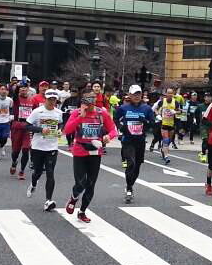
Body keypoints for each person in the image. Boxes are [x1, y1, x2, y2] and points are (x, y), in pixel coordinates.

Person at [63, 91, 118, 222]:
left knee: (91, 184)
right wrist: (80, 117)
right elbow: (67, 130)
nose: (87, 107)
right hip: (80, 150)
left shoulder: (101, 113)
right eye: (85, 104)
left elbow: (113, 129)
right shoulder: (76, 113)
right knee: (80, 183)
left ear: (94, 103)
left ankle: (82, 211)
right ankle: (74, 198)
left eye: (90, 105)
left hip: (95, 151)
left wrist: (107, 137)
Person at [114, 84, 155, 203]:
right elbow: (115, 119)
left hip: (140, 140)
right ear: (130, 95)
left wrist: (145, 122)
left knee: (137, 166)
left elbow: (152, 124)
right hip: (128, 140)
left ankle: (129, 186)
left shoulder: (146, 108)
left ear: (141, 95)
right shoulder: (123, 108)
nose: (137, 96)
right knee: (130, 163)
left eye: (139, 94)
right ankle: (129, 188)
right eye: (134, 94)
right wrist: (122, 128)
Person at [25, 89, 64, 211]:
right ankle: (33, 184)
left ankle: (48, 200)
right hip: (38, 146)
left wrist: (59, 130)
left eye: (54, 100)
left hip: (52, 147)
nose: (52, 102)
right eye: (50, 99)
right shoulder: (37, 111)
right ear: (45, 99)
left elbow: (60, 124)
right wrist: (41, 130)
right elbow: (27, 126)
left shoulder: (58, 112)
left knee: (50, 173)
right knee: (37, 172)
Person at [153, 87, 181, 164]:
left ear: (173, 94)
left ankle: (163, 149)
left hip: (172, 124)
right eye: (168, 93)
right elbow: (155, 109)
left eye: (171, 93)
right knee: (166, 140)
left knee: (169, 141)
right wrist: (158, 114)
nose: (170, 94)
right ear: (166, 94)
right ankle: (166, 157)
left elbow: (180, 111)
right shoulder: (162, 101)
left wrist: (175, 112)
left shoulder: (176, 102)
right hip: (164, 124)